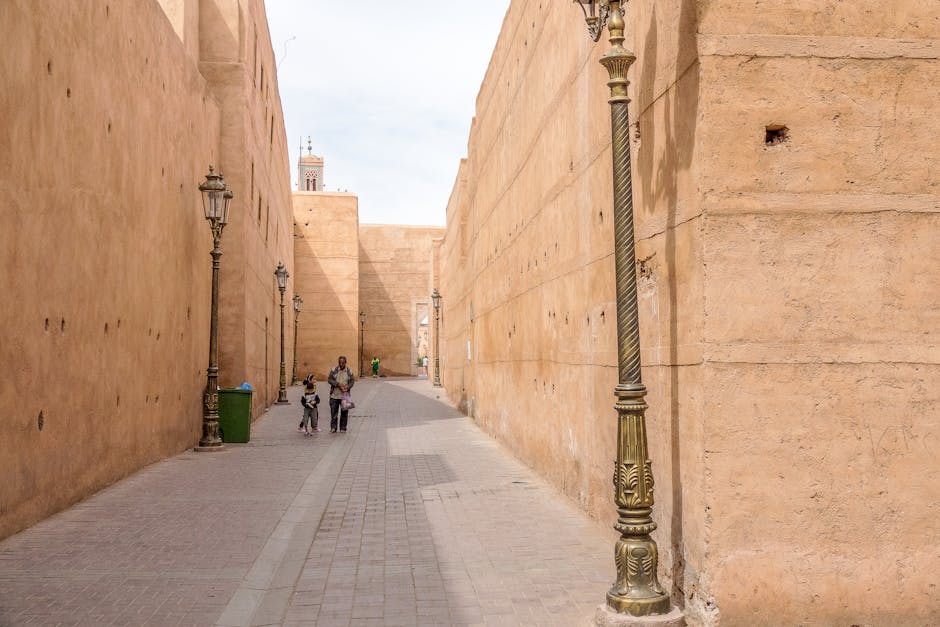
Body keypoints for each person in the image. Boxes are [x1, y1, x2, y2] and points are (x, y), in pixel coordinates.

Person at [328, 355, 355, 433]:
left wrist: (347, 387)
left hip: (345, 395)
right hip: (334, 395)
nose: (341, 364)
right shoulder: (334, 370)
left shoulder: (349, 371)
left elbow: (352, 381)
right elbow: (329, 380)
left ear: (345, 363)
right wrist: (337, 384)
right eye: (340, 363)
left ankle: (343, 428)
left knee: (344, 412)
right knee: (334, 413)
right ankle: (333, 428)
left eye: (343, 363)